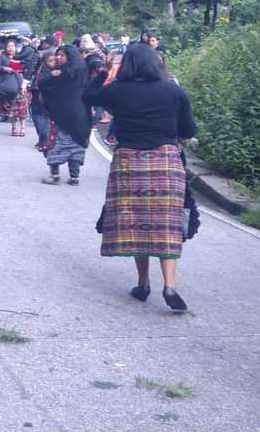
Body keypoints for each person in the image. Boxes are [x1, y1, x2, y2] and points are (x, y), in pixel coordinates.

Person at [83, 43, 197, 311]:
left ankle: (143, 283)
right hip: (165, 163)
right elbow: (188, 129)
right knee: (166, 224)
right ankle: (170, 285)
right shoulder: (173, 90)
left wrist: (105, 70)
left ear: (127, 65)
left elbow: (88, 97)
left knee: (138, 221)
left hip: (128, 163)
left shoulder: (117, 90)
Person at [36, 45, 90, 185]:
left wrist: (50, 76)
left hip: (60, 114)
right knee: (76, 144)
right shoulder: (82, 69)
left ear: (69, 57)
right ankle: (74, 177)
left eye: (62, 55)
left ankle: (54, 175)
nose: (58, 58)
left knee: (55, 144)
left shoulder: (59, 73)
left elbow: (41, 84)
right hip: (79, 114)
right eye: (57, 55)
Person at [0, 40, 23, 124]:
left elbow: (21, 68)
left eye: (12, 46)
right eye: (8, 46)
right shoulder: (2, 57)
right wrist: (4, 68)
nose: (10, 48)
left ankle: (15, 116)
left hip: (15, 80)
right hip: (3, 81)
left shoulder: (20, 56)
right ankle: (4, 115)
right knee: (2, 98)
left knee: (15, 99)